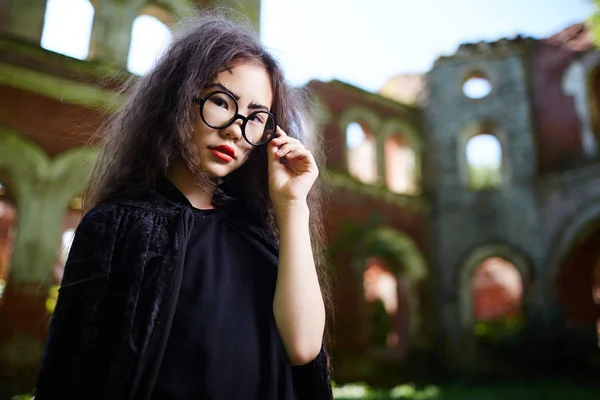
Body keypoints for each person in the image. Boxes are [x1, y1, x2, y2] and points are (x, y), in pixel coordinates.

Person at [35, 12, 333, 400]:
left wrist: (293, 205)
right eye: (222, 101)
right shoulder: (116, 227)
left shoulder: (260, 239)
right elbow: (69, 375)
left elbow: (304, 350)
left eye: (256, 117)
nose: (234, 128)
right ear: (178, 99)